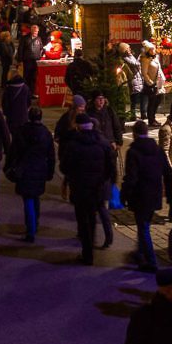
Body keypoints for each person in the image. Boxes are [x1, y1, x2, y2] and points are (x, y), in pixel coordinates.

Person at [60, 113, 114, 264]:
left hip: (80, 188)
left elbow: (65, 167)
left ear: (78, 127)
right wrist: (103, 179)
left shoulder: (73, 144)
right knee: (92, 217)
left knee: (83, 220)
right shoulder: (103, 143)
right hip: (97, 187)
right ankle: (91, 249)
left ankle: (87, 253)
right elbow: (110, 167)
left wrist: (72, 178)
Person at [121, 120, 172, 273]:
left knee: (143, 227)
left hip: (140, 195)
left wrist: (124, 195)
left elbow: (131, 177)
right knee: (144, 224)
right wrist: (170, 195)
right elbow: (168, 172)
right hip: (155, 193)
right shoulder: (158, 150)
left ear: (134, 134)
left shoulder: (133, 152)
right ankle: (140, 252)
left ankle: (151, 261)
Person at [7, 106, 55, 242]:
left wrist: (9, 167)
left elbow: (13, 151)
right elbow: (51, 155)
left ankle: (31, 230)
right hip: (40, 169)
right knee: (35, 196)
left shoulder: (21, 131)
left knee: (28, 198)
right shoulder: (45, 133)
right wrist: (50, 172)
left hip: (25, 169)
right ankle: (35, 223)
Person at [139, 41, 166, 127]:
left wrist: (162, 80)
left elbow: (159, 69)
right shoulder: (145, 59)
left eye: (154, 49)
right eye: (152, 49)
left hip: (157, 83)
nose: (154, 50)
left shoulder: (155, 58)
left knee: (158, 100)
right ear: (148, 51)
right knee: (152, 102)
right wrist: (150, 83)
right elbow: (144, 73)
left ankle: (153, 118)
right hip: (151, 85)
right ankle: (151, 120)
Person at [1, 67, 31, 138]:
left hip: (12, 117)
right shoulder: (25, 87)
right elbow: (29, 102)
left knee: (13, 135)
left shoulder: (8, 89)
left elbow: (5, 104)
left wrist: (6, 113)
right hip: (23, 116)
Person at [16, 23, 44, 97]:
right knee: (26, 76)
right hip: (27, 60)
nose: (36, 33)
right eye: (34, 31)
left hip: (35, 60)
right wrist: (20, 60)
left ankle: (31, 92)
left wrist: (42, 53)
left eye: (37, 31)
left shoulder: (39, 38)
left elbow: (41, 48)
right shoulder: (25, 38)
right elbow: (20, 49)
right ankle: (25, 92)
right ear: (31, 31)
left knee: (33, 77)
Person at [118, 42, 144, 121]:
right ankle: (132, 115)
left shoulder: (130, 56)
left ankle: (135, 114)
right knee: (133, 99)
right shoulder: (125, 58)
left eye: (129, 48)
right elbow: (136, 64)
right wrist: (140, 59)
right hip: (133, 80)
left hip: (137, 79)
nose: (129, 49)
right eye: (127, 48)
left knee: (136, 98)